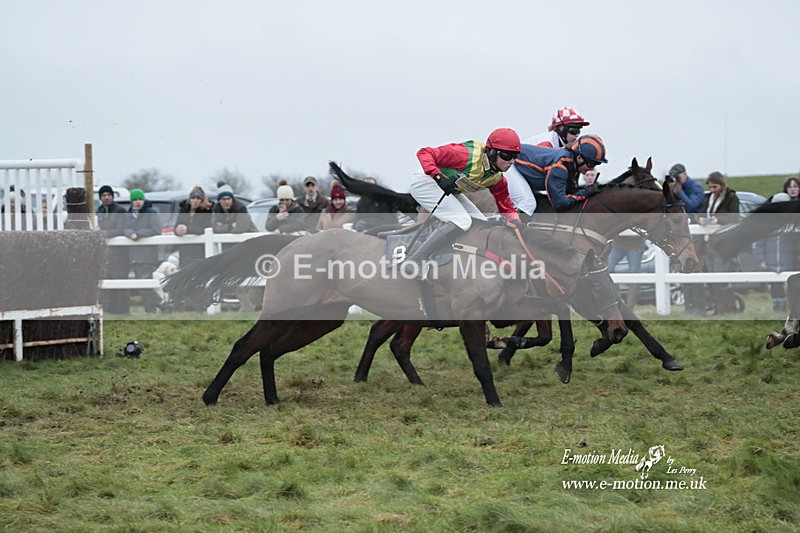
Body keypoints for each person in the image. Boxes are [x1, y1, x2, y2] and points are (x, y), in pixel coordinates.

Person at [400, 128, 522, 278]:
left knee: (481, 224)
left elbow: (506, 206)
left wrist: (517, 222)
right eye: (507, 155)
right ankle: (416, 259)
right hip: (426, 182)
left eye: (515, 156)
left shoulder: (497, 179)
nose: (511, 161)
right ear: (491, 152)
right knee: (462, 220)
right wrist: (439, 177)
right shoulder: (466, 155)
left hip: (448, 190)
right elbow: (424, 152)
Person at [507, 134, 608, 215]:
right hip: (511, 165)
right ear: (579, 158)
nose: (592, 168)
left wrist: (586, 191)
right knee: (528, 204)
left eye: (596, 164)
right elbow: (560, 203)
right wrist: (586, 192)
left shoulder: (573, 166)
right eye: (591, 163)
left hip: (525, 171)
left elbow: (570, 193)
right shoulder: (560, 166)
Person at [688, 172, 740, 315]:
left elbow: (735, 217)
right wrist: (700, 220)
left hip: (722, 243)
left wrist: (719, 220)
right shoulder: (707, 198)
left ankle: (730, 307)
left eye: (715, 186)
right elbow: (700, 213)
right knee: (712, 276)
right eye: (710, 187)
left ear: (722, 185)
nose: (712, 190)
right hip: (707, 243)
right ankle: (719, 308)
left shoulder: (731, 198)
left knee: (721, 275)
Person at [123, 189, 164, 313]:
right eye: (135, 200)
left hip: (148, 255)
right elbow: (125, 228)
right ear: (131, 202)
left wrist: (139, 234)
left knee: (145, 285)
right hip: (135, 255)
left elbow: (157, 229)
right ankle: (150, 310)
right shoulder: (129, 214)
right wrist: (130, 233)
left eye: (140, 199)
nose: (137, 202)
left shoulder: (151, 212)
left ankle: (164, 305)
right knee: (142, 285)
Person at [755, 192, 797, 312]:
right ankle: (777, 305)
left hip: (787, 260)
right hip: (771, 259)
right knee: (774, 284)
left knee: (789, 284)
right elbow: (760, 242)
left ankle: (787, 306)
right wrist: (761, 258)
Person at [95, 185, 130, 314]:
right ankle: (109, 311)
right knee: (107, 284)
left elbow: (121, 230)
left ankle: (123, 311)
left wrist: (103, 233)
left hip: (119, 254)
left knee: (120, 283)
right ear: (100, 198)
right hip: (105, 254)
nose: (106, 197)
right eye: (103, 195)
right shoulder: (99, 211)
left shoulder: (120, 211)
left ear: (112, 197)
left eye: (108, 195)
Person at [174, 185, 214, 266]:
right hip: (185, 249)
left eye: (198, 198)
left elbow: (206, 229)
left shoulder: (207, 212)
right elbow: (176, 226)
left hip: (200, 250)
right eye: (193, 198)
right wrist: (177, 230)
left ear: (202, 200)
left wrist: (187, 229)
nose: (195, 200)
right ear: (190, 199)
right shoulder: (184, 210)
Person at [523, 106, 590, 148]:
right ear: (561, 129)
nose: (577, 135)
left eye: (578, 130)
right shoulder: (547, 144)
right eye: (574, 130)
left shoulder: (561, 142)